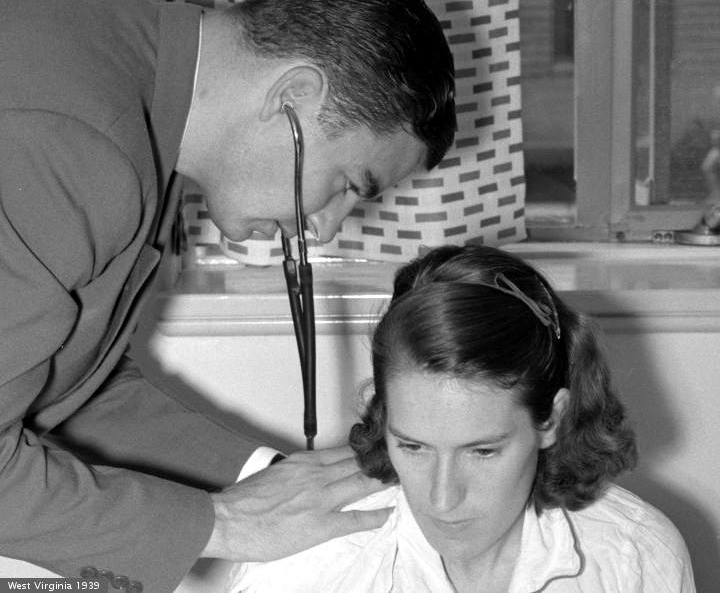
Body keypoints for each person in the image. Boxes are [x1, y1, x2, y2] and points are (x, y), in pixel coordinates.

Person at [0, 0, 455, 592]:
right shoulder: (68, 142)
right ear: (294, 97)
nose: (326, 227)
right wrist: (224, 525)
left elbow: (63, 385)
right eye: (349, 184)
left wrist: (266, 477)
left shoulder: (136, 92)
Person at [228, 244, 696, 592]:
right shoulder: (305, 563)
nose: (442, 498)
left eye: (482, 451)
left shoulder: (633, 554)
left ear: (551, 419)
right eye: (412, 446)